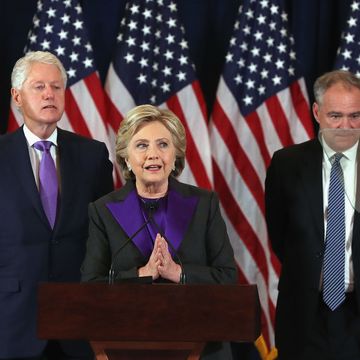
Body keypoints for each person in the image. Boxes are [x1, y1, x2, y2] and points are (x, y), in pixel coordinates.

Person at [81, 104, 237, 359]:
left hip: (202, 346)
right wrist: (143, 273)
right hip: (129, 346)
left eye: (163, 144)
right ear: (126, 158)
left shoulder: (204, 204)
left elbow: (227, 278)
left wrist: (179, 273)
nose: (153, 154)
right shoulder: (104, 210)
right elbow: (91, 286)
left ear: (176, 154)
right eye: (141, 145)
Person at [0, 51, 114, 359]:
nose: (49, 94)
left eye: (56, 87)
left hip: (79, 319)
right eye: (39, 87)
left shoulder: (93, 155)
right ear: (17, 95)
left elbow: (106, 237)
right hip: (12, 320)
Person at [265, 69, 360, 360]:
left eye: (355, 116)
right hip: (304, 312)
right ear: (317, 112)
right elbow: (280, 236)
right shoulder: (286, 163)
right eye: (335, 116)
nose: (345, 125)